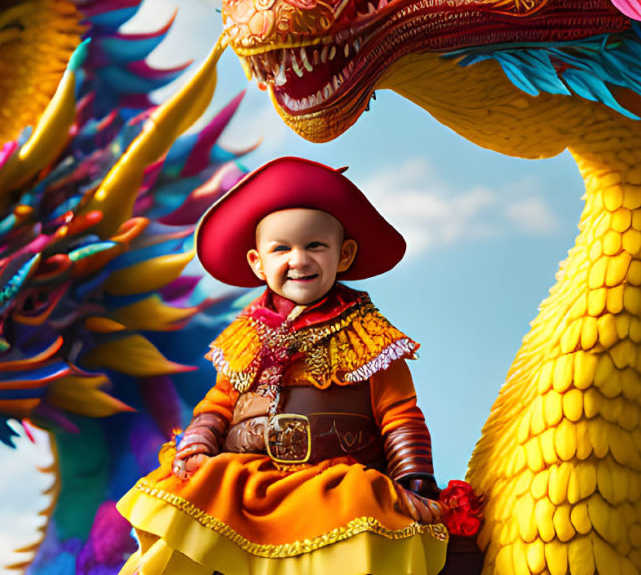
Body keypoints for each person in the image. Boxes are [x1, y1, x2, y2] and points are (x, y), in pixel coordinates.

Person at [117, 157, 471, 575]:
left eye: (315, 246)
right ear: (256, 263)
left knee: (364, 508)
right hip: (247, 478)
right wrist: (198, 442)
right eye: (281, 248)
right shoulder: (244, 335)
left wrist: (415, 482)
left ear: (345, 255)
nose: (299, 260)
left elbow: (399, 414)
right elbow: (219, 403)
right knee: (195, 496)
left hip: (336, 483)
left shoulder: (369, 335)